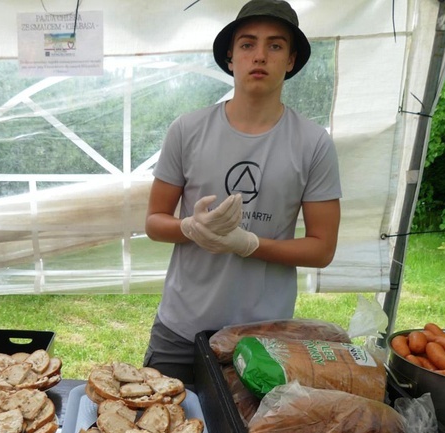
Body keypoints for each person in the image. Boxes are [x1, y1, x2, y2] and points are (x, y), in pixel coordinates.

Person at [144, 0, 342, 383]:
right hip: (181, 325)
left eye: (275, 45)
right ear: (230, 58)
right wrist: (190, 228)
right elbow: (153, 222)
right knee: (157, 430)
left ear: (291, 59)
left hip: (264, 336)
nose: (260, 56)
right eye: (248, 44)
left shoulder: (313, 143)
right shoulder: (187, 130)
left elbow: (321, 248)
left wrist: (250, 243)